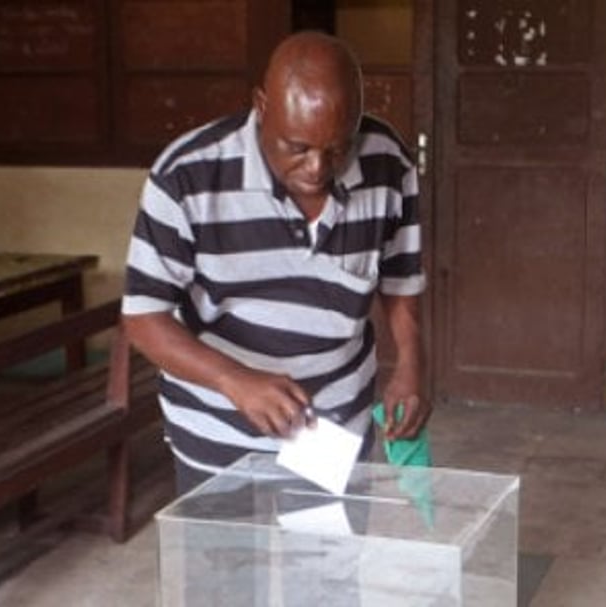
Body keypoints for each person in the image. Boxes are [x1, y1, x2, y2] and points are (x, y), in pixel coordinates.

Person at [122, 32, 429, 496]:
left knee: (330, 566)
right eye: (298, 147)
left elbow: (399, 280)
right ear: (261, 107)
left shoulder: (388, 164)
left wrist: (410, 364)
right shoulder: (186, 177)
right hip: (217, 433)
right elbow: (144, 318)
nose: (317, 168)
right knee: (225, 567)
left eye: (338, 147)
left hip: (333, 431)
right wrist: (234, 380)